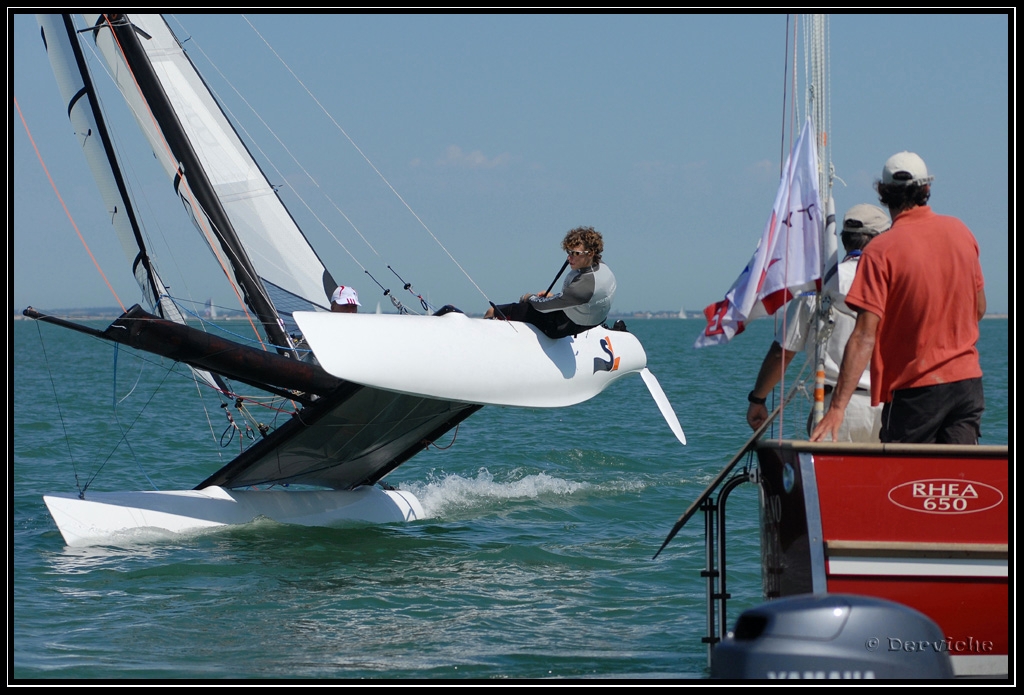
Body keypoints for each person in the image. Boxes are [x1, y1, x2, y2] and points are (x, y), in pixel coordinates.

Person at [811, 152, 986, 444]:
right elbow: (978, 308)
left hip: (915, 387)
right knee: (954, 480)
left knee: (903, 481)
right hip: (967, 384)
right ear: (926, 189)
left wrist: (837, 408)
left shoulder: (880, 250)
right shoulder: (961, 232)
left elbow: (864, 336)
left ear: (883, 193)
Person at [746, 204, 890, 442]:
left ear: (845, 240)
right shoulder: (898, 285)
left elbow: (783, 352)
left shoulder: (820, 286)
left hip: (835, 409)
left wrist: (757, 399)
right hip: (892, 410)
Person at [484, 226, 616, 339]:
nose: (569, 258)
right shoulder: (602, 268)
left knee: (492, 311)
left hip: (558, 326)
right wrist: (559, 299)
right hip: (584, 321)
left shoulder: (583, 286)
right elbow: (582, 298)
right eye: (568, 252)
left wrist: (528, 297)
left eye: (575, 253)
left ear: (590, 253)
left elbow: (542, 306)